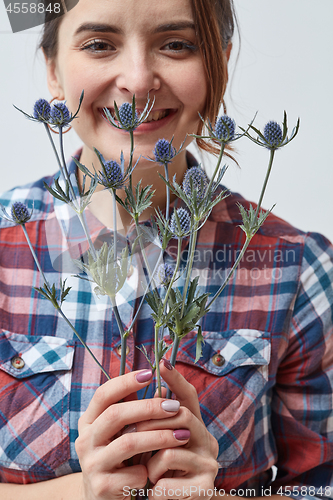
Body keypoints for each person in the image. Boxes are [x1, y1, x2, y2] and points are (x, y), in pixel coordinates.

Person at [0, 1, 333, 499]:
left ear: (219, 65)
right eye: (99, 44)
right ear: (52, 70)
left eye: (177, 44)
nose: (137, 79)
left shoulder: (299, 270)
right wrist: (80, 492)